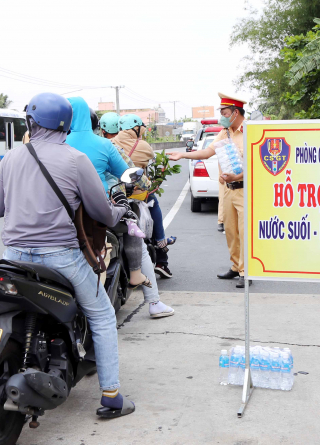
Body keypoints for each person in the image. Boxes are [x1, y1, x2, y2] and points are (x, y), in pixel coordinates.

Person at [0, 93, 135, 418]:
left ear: (30, 122)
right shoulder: (75, 159)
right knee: (101, 315)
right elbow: (102, 212)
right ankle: (111, 395)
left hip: (12, 256)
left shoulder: (11, 158)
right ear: (66, 125)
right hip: (61, 258)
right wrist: (121, 210)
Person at [68, 101, 173, 318]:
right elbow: (131, 172)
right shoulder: (106, 146)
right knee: (134, 233)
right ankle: (152, 300)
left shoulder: (55, 144)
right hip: (99, 212)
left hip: (63, 215)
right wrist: (146, 185)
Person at [167, 92, 250, 289]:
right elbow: (208, 152)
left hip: (245, 190)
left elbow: (256, 164)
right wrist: (183, 155)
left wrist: (238, 177)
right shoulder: (225, 132)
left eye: (224, 111)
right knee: (230, 231)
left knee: (244, 232)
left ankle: (246, 272)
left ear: (235, 112)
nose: (221, 115)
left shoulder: (250, 132)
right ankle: (235, 267)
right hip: (228, 190)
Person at [103, 113, 176, 279]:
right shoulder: (141, 145)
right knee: (154, 205)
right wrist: (150, 184)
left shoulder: (106, 144)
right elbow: (136, 170)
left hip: (109, 196)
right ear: (136, 128)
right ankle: (161, 247)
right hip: (135, 194)